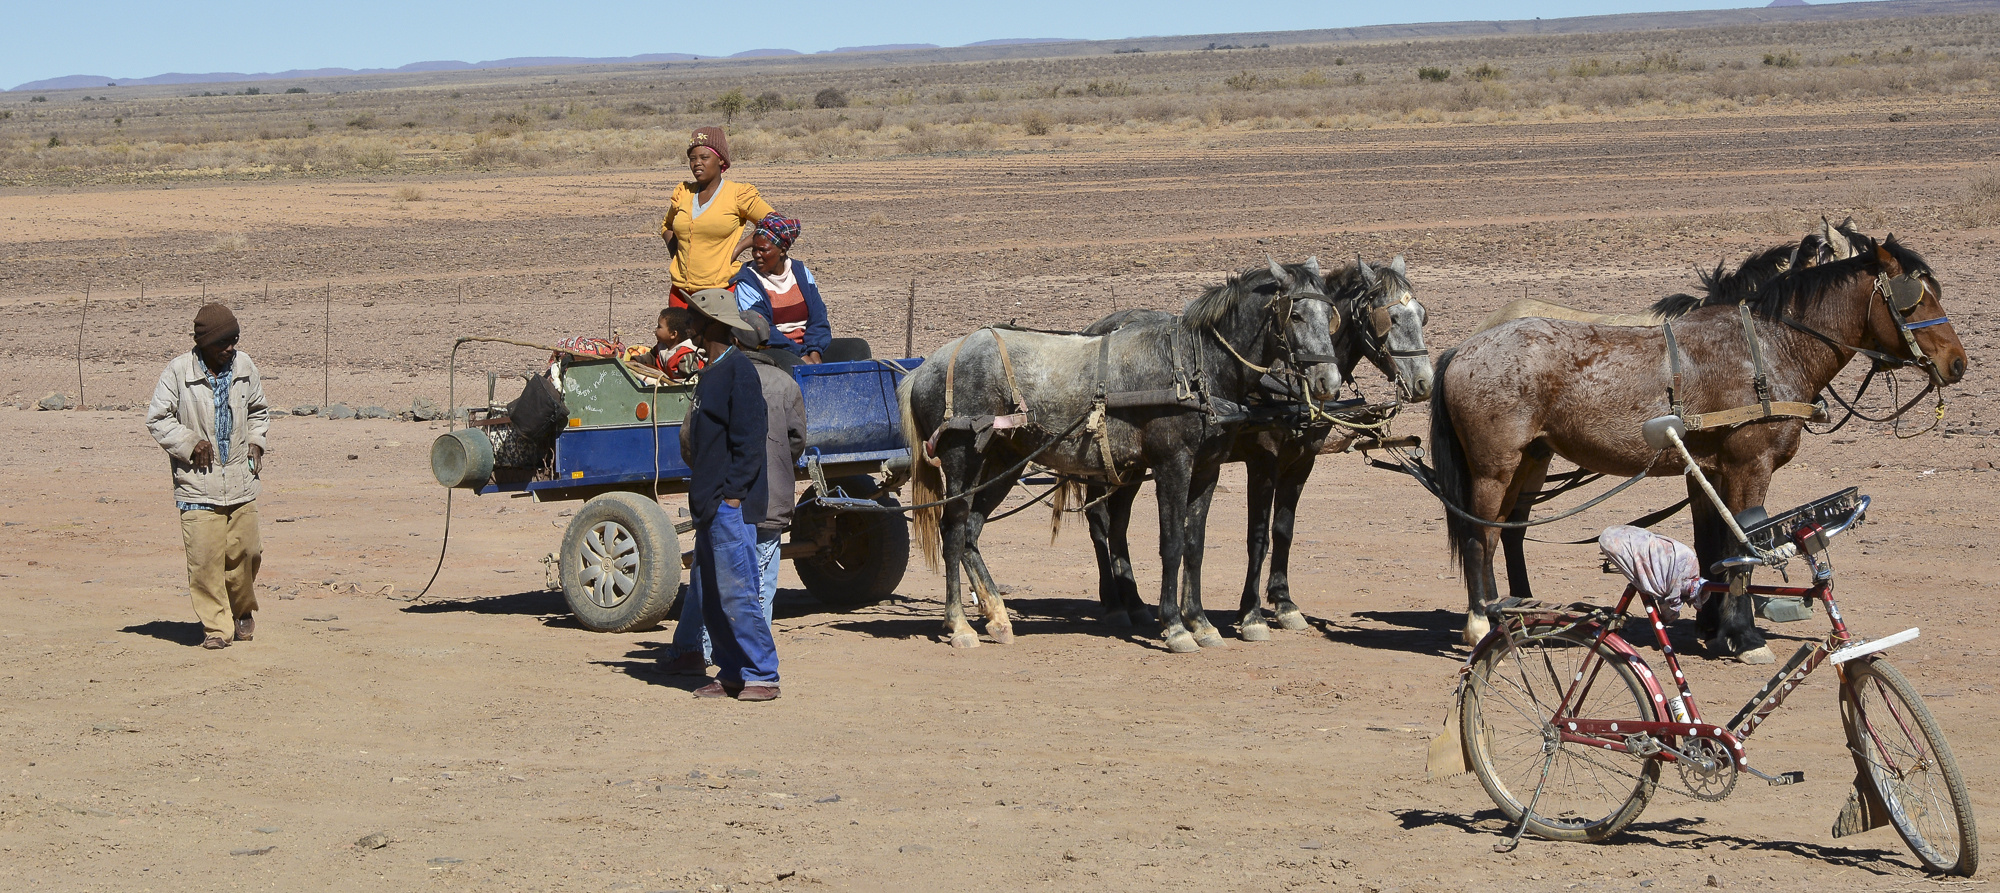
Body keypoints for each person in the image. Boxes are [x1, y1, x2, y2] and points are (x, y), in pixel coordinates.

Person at [666, 288, 780, 701]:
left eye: (695, 317)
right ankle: (732, 672)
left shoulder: (738, 372)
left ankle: (762, 673)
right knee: (714, 597)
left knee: (738, 592)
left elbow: (750, 442)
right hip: (709, 504)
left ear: (712, 324)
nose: (689, 324)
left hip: (730, 506)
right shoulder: (711, 371)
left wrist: (732, 496)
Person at [145, 304, 269, 651]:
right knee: (204, 560)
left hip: (241, 481)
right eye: (224, 342)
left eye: (235, 340)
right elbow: (157, 418)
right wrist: (188, 442)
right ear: (204, 344)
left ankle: (241, 609)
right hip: (197, 483)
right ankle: (216, 627)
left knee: (248, 553)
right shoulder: (178, 372)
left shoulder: (245, 367)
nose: (231, 348)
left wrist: (257, 443)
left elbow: (259, 410)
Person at [738, 310, 809, 624]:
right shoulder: (786, 383)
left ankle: (711, 649)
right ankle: (757, 651)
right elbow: (797, 439)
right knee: (764, 581)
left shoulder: (721, 379)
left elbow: (691, 440)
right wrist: (779, 463)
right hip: (773, 497)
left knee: (727, 579)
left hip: (731, 499)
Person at [660, 127, 777, 308]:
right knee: (680, 337)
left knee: (717, 337)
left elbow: (774, 223)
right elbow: (667, 226)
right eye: (692, 159)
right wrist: (676, 255)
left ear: (720, 159)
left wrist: (739, 248)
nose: (697, 163)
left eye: (704, 158)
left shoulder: (737, 194)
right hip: (680, 294)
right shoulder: (683, 193)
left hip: (720, 293)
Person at [731, 214, 832, 363]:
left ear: (782, 250)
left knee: (856, 348)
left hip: (806, 346)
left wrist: (815, 350)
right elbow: (764, 330)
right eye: (754, 249)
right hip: (773, 349)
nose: (756, 255)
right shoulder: (748, 281)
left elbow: (818, 318)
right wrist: (800, 355)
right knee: (797, 365)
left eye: (763, 250)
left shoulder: (801, 273)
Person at [634, 306, 703, 382]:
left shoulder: (685, 354)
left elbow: (693, 379)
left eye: (659, 327)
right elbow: (652, 357)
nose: (656, 329)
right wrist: (635, 361)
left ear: (673, 334)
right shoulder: (662, 346)